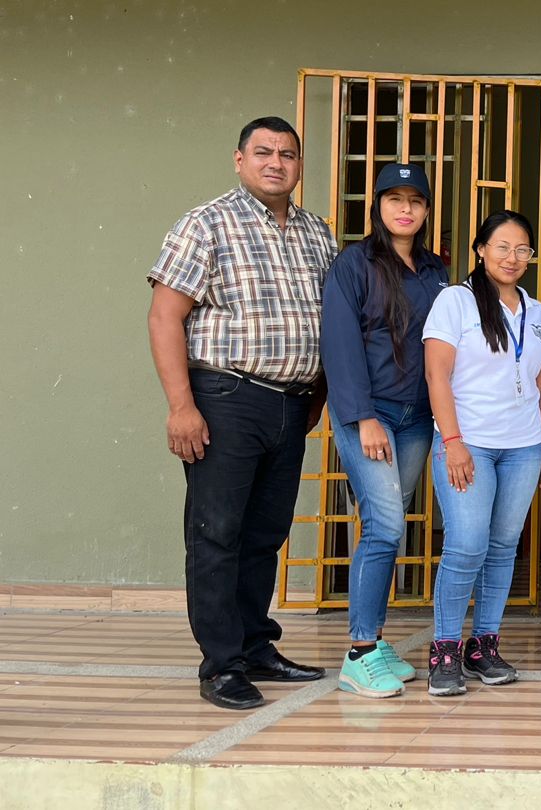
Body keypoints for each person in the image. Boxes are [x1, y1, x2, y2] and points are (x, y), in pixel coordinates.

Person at [147, 116, 338, 710]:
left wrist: (316, 396)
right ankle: (222, 665)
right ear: (239, 160)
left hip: (292, 404)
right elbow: (164, 316)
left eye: (287, 153)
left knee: (265, 535)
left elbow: (330, 323)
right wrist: (181, 406)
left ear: (299, 164)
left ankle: (256, 646)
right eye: (263, 152)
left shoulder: (317, 233)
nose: (276, 162)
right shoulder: (206, 224)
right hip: (226, 399)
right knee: (217, 533)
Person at [320, 164, 447, 698]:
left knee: (387, 523)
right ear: (377, 206)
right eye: (394, 199)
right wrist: (363, 416)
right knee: (386, 525)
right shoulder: (353, 264)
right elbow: (340, 342)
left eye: (415, 200)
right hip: (369, 415)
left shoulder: (436, 270)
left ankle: (373, 640)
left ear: (426, 209)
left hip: (417, 416)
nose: (405, 209)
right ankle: (359, 652)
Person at [421, 210, 541, 696]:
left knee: (503, 547)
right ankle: (444, 650)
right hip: (469, 443)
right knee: (466, 544)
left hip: (524, 446)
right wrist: (453, 441)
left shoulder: (537, 312)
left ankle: (483, 645)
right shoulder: (455, 301)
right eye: (502, 246)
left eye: (523, 249)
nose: (512, 257)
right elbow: (436, 374)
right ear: (480, 250)